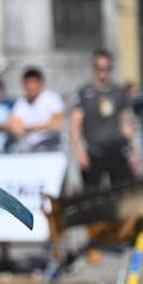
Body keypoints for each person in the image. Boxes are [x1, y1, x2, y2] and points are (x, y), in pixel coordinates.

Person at [70, 49, 141, 190]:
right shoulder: (85, 93)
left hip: (117, 149)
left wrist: (134, 152)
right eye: (99, 68)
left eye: (106, 68)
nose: (103, 72)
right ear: (94, 68)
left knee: (123, 193)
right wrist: (79, 152)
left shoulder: (118, 92)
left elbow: (126, 124)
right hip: (94, 152)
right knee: (91, 195)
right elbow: (75, 126)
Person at [8, 67, 64, 152]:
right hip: (30, 149)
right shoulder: (21, 103)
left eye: (34, 82)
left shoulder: (52, 98)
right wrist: (45, 126)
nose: (31, 86)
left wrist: (29, 128)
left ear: (41, 83)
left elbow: (57, 124)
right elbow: (14, 126)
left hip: (52, 148)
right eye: (28, 83)